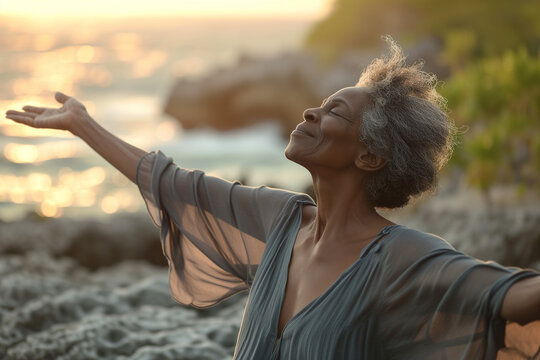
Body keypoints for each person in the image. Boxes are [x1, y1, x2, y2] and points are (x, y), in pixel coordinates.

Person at [5, 37, 540, 359]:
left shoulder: (400, 256)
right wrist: (83, 124)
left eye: (333, 113)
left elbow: (511, 297)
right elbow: (172, 182)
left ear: (370, 157)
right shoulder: (281, 219)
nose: (309, 113)